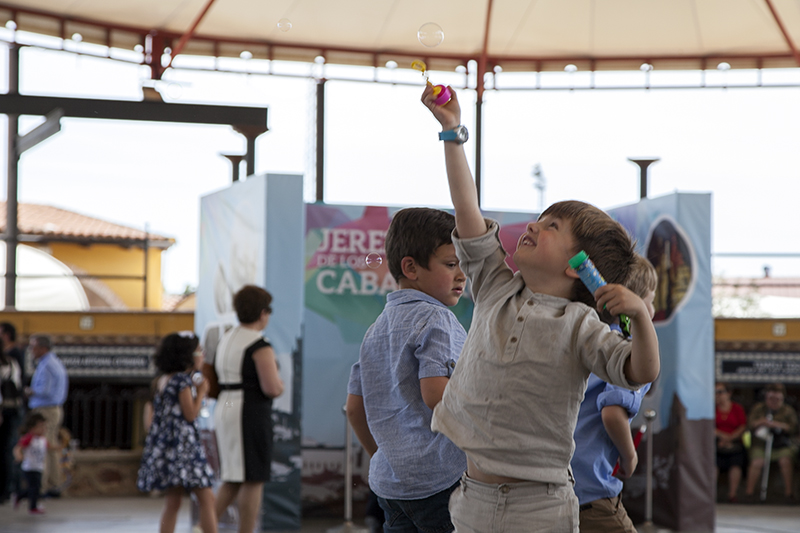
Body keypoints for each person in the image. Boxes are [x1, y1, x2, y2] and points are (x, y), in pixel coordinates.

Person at [421, 85, 660, 532]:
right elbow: (466, 210)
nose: (533, 225)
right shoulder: (495, 286)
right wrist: (452, 132)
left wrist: (641, 319)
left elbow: (640, 370)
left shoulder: (581, 325)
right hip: (471, 496)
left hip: (541, 505)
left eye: (551, 226)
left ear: (578, 267)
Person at [346, 207, 468, 533]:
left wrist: (385, 455)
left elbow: (354, 408)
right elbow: (436, 395)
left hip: (392, 484)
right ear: (411, 267)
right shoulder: (437, 318)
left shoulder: (376, 328)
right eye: (451, 264)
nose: (462, 276)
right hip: (441, 480)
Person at [571, 253, 657, 533]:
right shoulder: (631, 352)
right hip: (591, 487)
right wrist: (630, 455)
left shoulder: (589, 336)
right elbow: (612, 413)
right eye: (651, 300)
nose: (653, 308)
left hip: (556, 480)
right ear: (632, 301)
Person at [213, 285, 284, 533]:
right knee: (254, 478)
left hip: (226, 405)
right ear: (263, 312)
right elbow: (272, 388)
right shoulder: (259, 344)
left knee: (232, 477)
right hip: (248, 411)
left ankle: (203, 526)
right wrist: (281, 384)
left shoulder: (227, 338)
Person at [136, 332, 217, 533]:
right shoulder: (182, 381)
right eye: (199, 351)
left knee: (172, 503)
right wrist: (202, 392)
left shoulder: (162, 380)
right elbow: (190, 414)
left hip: (168, 449)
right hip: (185, 449)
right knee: (207, 499)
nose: (202, 355)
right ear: (187, 356)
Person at [25, 334, 68, 498]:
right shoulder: (53, 362)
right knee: (50, 447)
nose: (31, 350)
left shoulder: (48, 365)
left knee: (43, 447)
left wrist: (30, 392)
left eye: (33, 346)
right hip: (52, 408)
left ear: (43, 348)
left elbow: (45, 390)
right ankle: (54, 483)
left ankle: (43, 487)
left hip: (46, 409)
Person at [744, 382, 798, 502]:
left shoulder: (787, 410)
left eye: (777, 399)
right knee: (757, 461)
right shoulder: (759, 409)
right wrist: (762, 422)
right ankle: (749, 493)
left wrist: (777, 425)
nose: (774, 402)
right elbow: (749, 425)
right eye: (771, 398)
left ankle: (789, 494)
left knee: (786, 461)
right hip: (761, 444)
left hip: (781, 444)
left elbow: (793, 428)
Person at [715, 382, 747, 503]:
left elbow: (742, 426)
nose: (717, 395)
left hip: (734, 443)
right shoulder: (712, 408)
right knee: (713, 463)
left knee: (736, 463)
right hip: (717, 442)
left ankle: (732, 494)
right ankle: (711, 493)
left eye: (720, 392)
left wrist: (730, 438)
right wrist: (721, 437)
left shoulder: (737, 408)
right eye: (715, 392)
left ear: (729, 393)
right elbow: (708, 426)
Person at [0, 337, 24, 504]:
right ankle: (6, 490)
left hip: (2, 412)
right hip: (12, 411)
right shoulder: (11, 363)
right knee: (7, 450)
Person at [12, 411, 48, 515]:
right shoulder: (29, 437)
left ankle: (20, 496)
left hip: (39, 466)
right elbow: (18, 447)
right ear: (32, 428)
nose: (43, 429)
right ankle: (33, 507)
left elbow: (49, 447)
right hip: (29, 467)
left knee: (35, 488)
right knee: (34, 488)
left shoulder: (42, 439)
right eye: (40, 427)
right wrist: (19, 455)